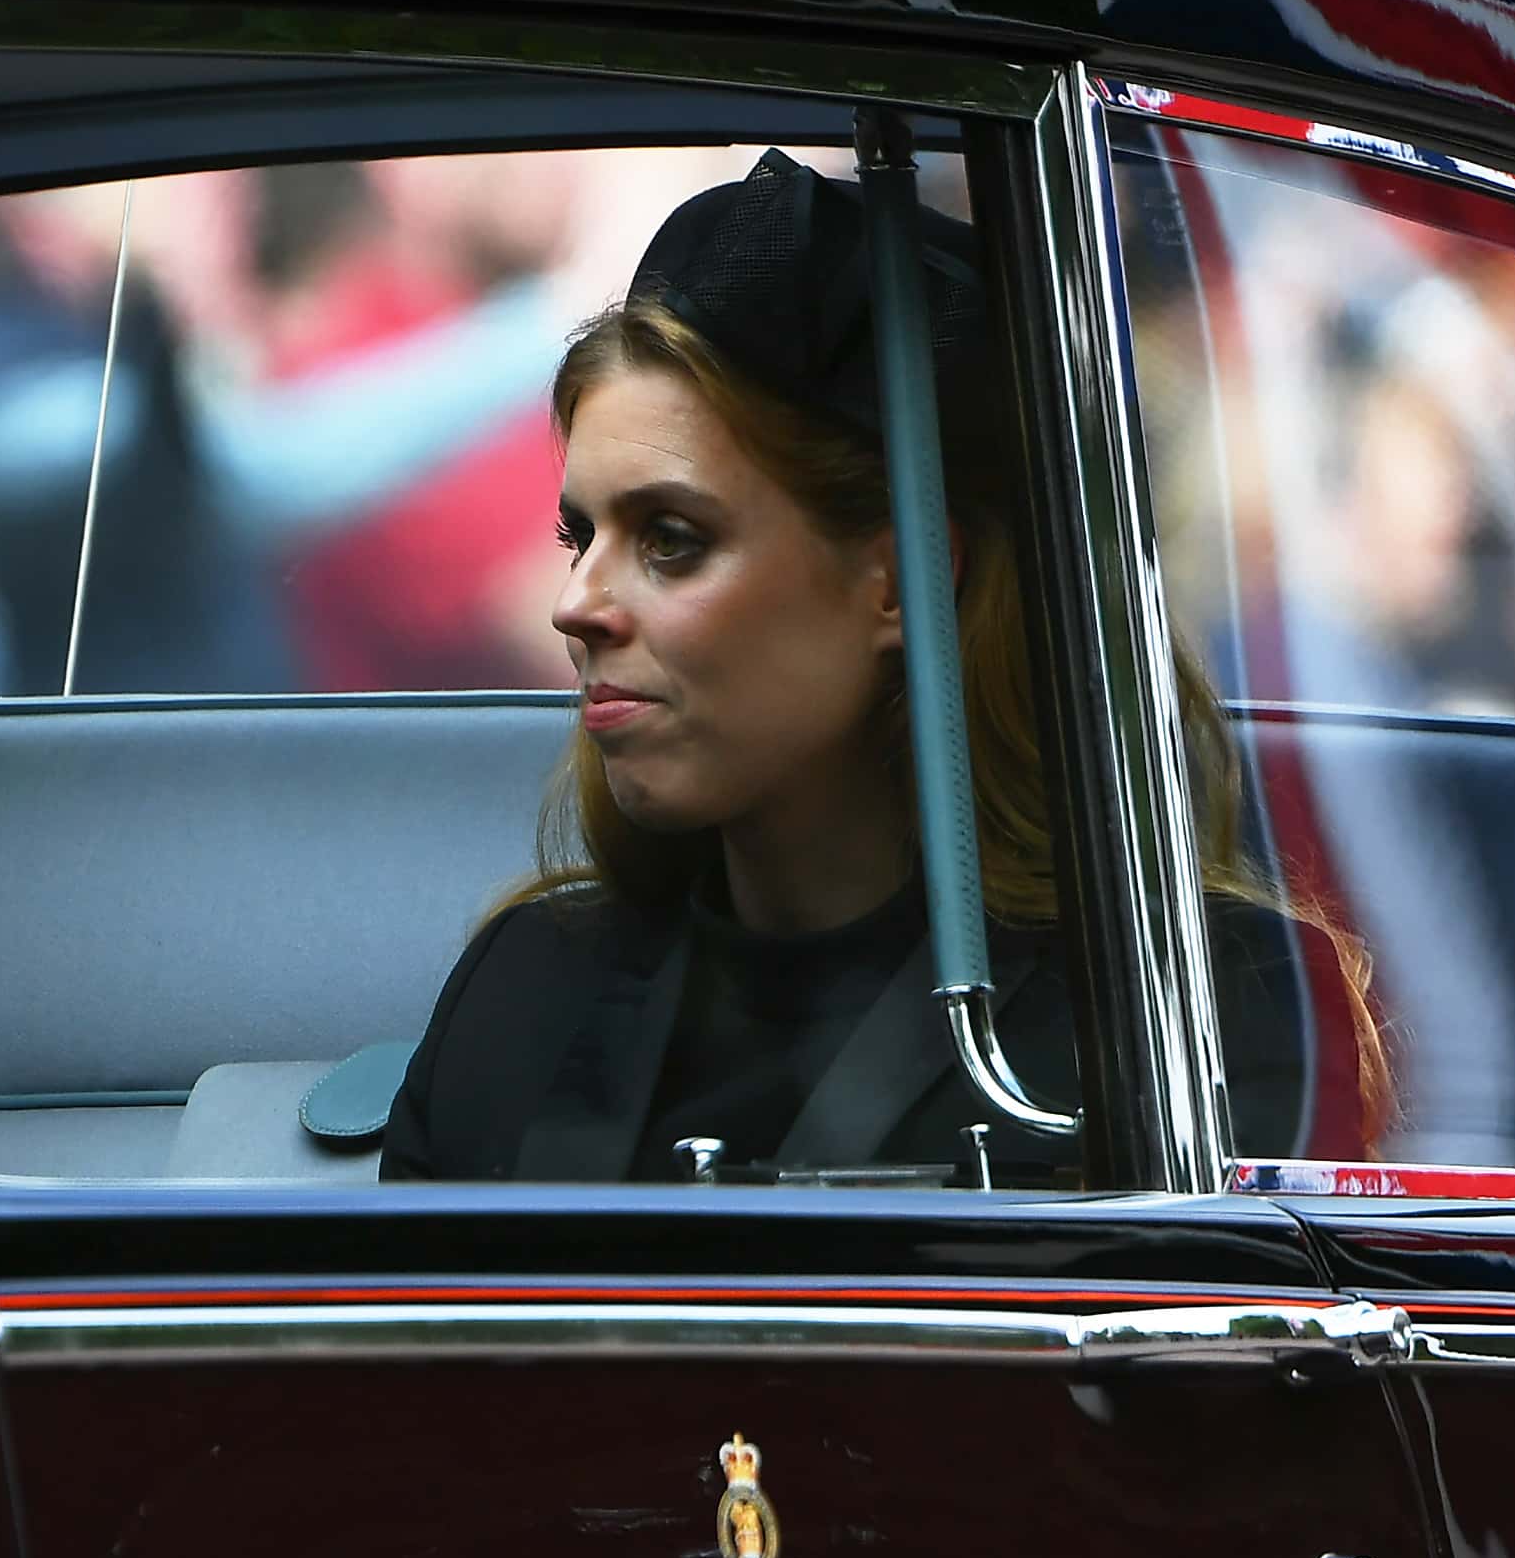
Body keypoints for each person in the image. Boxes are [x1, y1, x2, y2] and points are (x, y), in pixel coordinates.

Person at [380, 150, 1383, 1184]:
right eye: (576, 535)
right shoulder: (528, 987)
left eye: (670, 538)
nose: (576, 605)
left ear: (901, 581)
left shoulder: (1189, 1012)